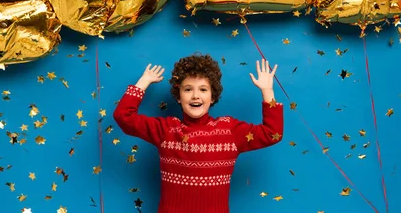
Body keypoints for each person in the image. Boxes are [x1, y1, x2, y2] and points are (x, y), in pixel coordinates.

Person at [113, 53, 283, 213]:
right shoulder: (166, 130)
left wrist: (267, 90)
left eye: (203, 90)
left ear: (213, 97)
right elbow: (123, 116)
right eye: (188, 89)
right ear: (178, 97)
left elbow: (272, 133)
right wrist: (144, 82)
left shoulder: (230, 130)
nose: (195, 96)